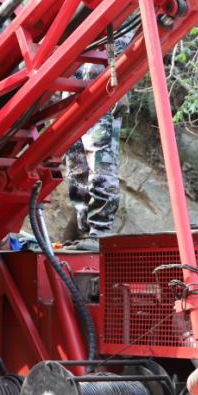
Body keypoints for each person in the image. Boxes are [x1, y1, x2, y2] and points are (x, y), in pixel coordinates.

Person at [63, 31, 133, 248]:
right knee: (77, 168)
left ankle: (99, 232)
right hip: (73, 94)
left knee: (101, 165)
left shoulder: (120, 20)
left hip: (103, 93)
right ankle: (84, 232)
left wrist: (120, 84)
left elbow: (123, 48)